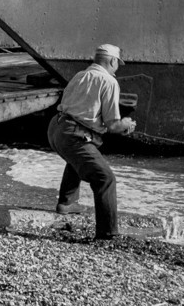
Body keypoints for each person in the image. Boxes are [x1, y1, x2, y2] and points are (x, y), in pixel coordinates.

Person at [47, 43, 137, 239]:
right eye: (117, 63)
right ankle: (108, 233)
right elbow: (113, 125)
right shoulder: (109, 81)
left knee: (77, 158)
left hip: (55, 129)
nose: (117, 68)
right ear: (112, 61)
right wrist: (126, 124)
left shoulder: (80, 75)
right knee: (105, 178)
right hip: (73, 134)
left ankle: (67, 203)